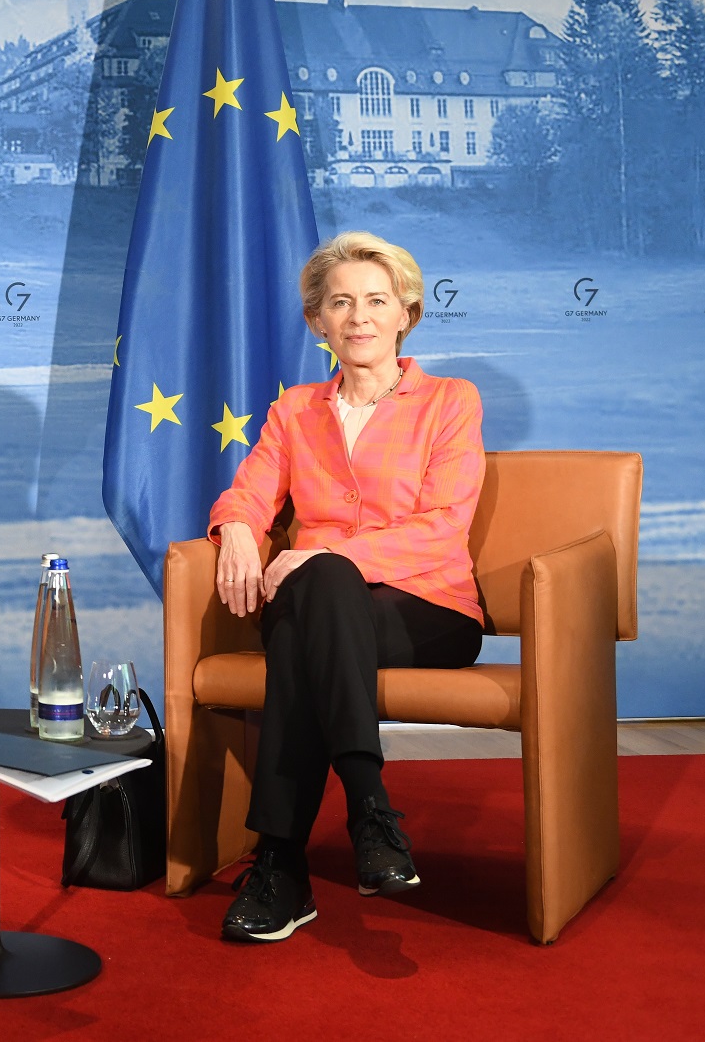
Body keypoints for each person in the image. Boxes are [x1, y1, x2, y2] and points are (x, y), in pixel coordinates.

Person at [208, 231, 485, 944]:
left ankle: (280, 863)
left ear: (406, 314)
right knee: (319, 594)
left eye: (376, 300)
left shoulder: (451, 400)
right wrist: (237, 527)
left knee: (317, 587)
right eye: (341, 303)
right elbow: (246, 495)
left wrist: (322, 554)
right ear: (317, 323)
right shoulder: (293, 410)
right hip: (321, 606)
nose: (359, 317)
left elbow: (444, 527)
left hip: (430, 607)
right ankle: (370, 810)